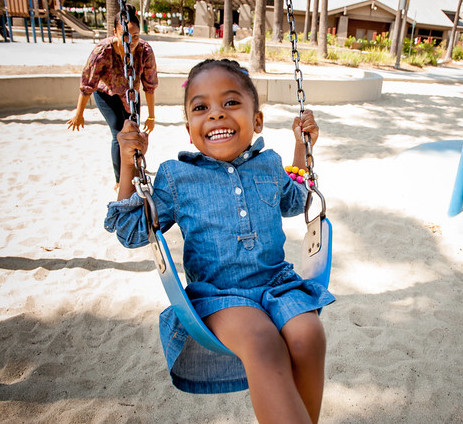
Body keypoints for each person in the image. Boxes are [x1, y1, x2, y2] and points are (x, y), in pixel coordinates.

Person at [105, 59, 335, 423]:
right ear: (189, 130)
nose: (215, 115)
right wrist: (129, 165)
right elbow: (132, 232)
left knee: (310, 335)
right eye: (201, 108)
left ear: (256, 121)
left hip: (278, 285)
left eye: (230, 103)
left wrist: (301, 146)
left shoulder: (269, 163)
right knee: (263, 342)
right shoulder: (176, 177)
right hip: (218, 297)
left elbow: (296, 201)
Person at [67, 4, 158, 190]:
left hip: (130, 94)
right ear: (115, 32)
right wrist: (79, 113)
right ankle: (120, 179)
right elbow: (87, 84)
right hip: (106, 94)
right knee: (118, 131)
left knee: (133, 130)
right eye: (126, 35)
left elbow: (149, 86)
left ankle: (135, 168)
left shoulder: (144, 51)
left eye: (136, 36)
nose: (131, 41)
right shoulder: (102, 51)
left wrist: (151, 116)